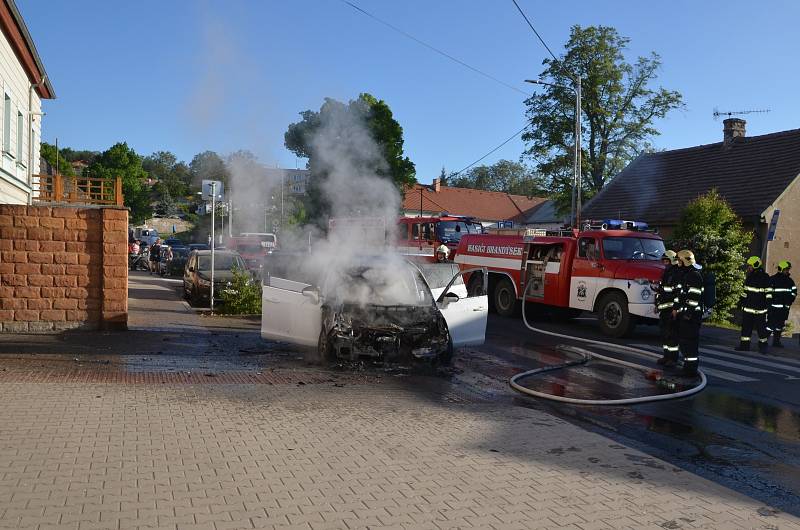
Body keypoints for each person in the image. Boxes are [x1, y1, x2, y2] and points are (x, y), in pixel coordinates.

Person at [674, 250, 703, 376]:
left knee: (690, 343)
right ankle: (687, 367)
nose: (678, 263)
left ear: (685, 261)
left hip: (692, 316)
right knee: (685, 342)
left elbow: (694, 297)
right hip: (685, 315)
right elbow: (680, 295)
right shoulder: (685, 275)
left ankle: (690, 370)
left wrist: (688, 314)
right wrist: (676, 309)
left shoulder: (694, 276)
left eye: (679, 261)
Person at [737, 256, 772, 353]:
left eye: (750, 266)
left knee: (761, 329)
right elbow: (745, 292)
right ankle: (744, 346)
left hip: (760, 309)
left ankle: (763, 347)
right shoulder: (750, 277)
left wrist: (768, 304)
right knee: (746, 329)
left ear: (755, 265)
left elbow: (769, 293)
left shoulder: (765, 277)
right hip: (749, 308)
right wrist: (741, 302)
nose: (748, 268)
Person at [656, 250, 681, 366]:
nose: (665, 263)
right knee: (664, 334)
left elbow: (676, 292)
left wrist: (675, 309)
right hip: (664, 309)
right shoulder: (667, 272)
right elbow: (662, 289)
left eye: (667, 261)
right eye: (664, 261)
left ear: (672, 261)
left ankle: (673, 359)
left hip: (671, 310)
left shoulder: (676, 273)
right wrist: (657, 304)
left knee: (672, 335)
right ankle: (666, 356)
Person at [768, 260, 796, 347]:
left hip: (784, 309)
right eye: (786, 269)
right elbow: (768, 293)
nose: (788, 271)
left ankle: (776, 342)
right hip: (773, 308)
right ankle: (763, 341)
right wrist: (769, 303)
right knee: (770, 326)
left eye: (788, 269)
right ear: (782, 269)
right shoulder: (772, 279)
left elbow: (794, 292)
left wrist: (789, 302)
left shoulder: (790, 281)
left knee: (779, 326)